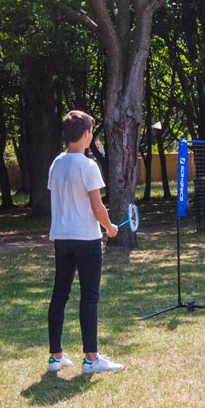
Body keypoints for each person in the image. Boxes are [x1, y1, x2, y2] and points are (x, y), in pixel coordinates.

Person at [47, 110, 124, 373]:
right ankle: (91, 359)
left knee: (60, 294)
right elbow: (97, 207)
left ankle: (55, 357)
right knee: (89, 297)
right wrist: (110, 227)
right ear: (87, 134)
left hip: (61, 237)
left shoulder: (57, 163)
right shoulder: (88, 166)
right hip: (86, 239)